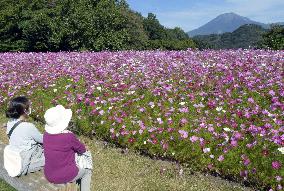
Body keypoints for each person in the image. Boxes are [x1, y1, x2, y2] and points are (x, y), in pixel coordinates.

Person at [43, 105, 92, 191]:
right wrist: (85, 147)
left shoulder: (45, 135)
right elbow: (82, 150)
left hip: (49, 175)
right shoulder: (68, 136)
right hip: (66, 176)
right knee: (87, 171)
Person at [5, 96, 45, 175]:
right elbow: (43, 140)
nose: (30, 109)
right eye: (29, 107)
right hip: (25, 157)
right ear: (25, 111)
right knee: (53, 157)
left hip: (16, 152)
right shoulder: (28, 126)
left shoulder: (10, 122)